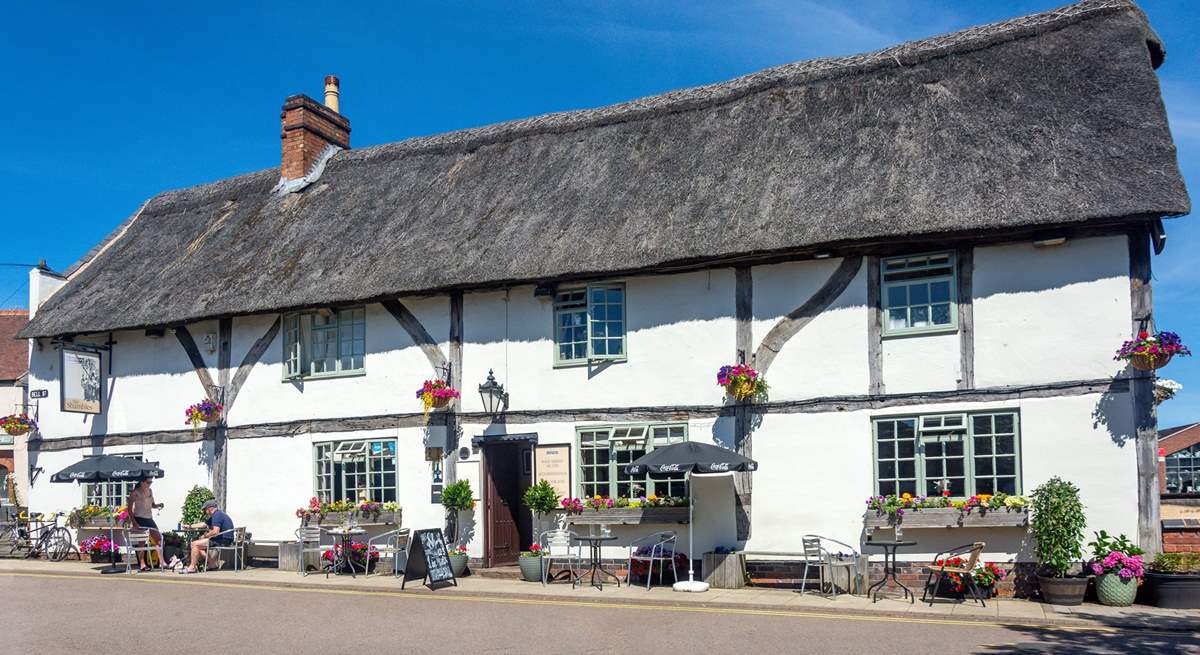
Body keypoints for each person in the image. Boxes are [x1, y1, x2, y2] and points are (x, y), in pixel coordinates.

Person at [181, 500, 234, 574]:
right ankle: (212, 564)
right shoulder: (218, 514)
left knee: (194, 544)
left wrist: (205, 536)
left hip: (223, 540)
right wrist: (190, 526)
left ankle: (192, 567)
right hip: (225, 539)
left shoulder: (217, 515)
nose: (204, 511)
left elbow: (215, 531)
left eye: (205, 509)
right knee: (198, 547)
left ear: (209, 508)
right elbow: (204, 524)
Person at [126, 478, 164, 572]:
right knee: (141, 542)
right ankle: (142, 564)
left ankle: (162, 562)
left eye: (151, 482)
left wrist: (158, 505)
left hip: (149, 519)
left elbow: (152, 505)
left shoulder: (150, 491)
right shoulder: (135, 493)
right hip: (139, 518)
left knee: (158, 539)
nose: (150, 484)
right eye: (148, 482)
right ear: (142, 482)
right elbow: (129, 509)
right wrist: (134, 522)